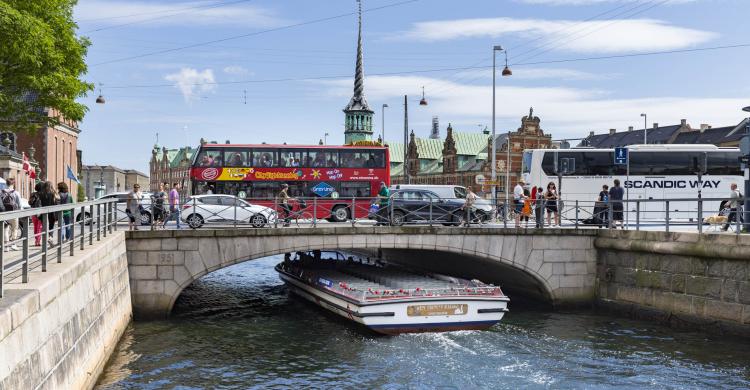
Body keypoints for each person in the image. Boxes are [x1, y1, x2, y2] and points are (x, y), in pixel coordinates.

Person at [2, 177, 21, 251]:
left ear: (6, 183)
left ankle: (6, 246)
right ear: (13, 184)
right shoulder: (16, 193)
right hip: (14, 213)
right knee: (14, 229)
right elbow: (19, 205)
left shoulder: (1, 192)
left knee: (5, 229)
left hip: (5, 213)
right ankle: (13, 244)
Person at [39, 181, 59, 246]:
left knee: (44, 226)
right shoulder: (53, 193)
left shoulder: (41, 194)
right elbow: (57, 201)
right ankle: (50, 237)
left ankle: (44, 241)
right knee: (51, 226)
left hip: (43, 212)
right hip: (51, 212)